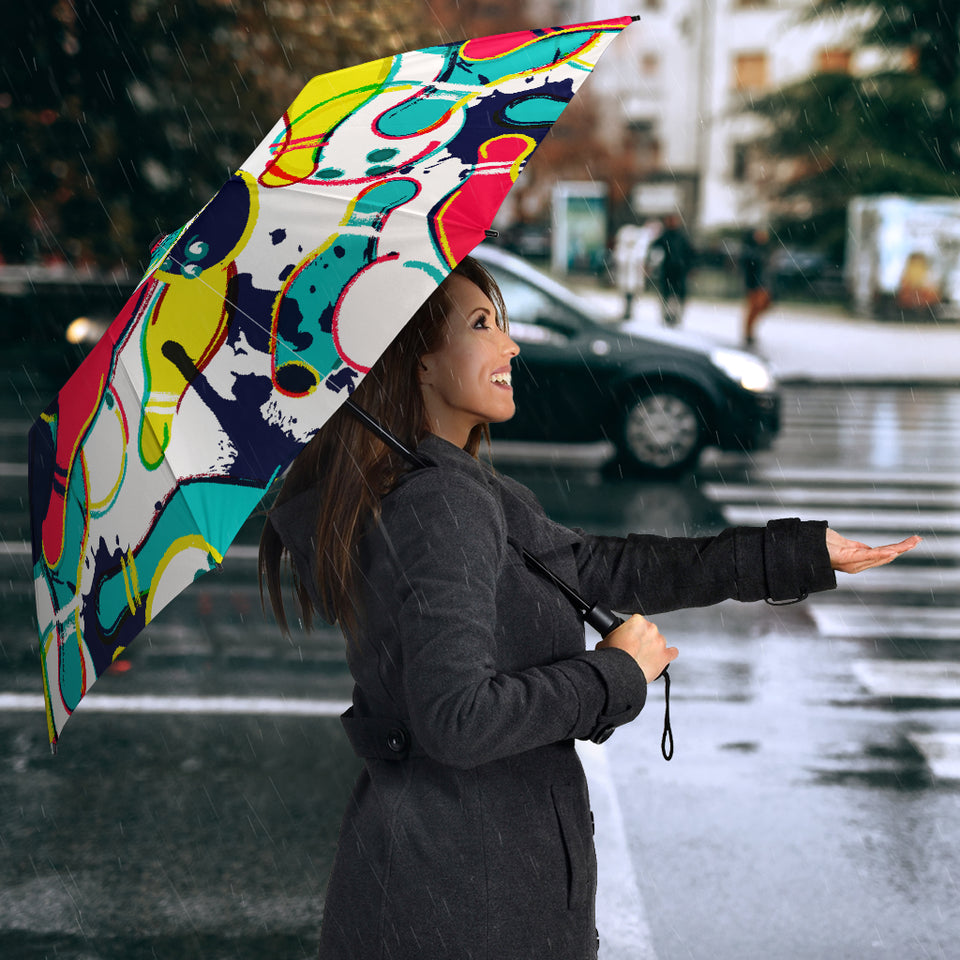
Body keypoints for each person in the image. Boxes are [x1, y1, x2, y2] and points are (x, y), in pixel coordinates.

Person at [259, 256, 919, 960]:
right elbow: (457, 720)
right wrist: (613, 673)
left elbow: (603, 567)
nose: (510, 345)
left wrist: (796, 554)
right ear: (417, 363)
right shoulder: (439, 504)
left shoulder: (451, 488)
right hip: (466, 902)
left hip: (452, 883)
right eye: (482, 325)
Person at [648, 213, 695, 327]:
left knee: (677, 295)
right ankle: (667, 315)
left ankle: (675, 316)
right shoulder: (665, 236)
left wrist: (690, 267)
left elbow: (690, 253)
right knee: (667, 294)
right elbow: (654, 249)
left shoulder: (681, 237)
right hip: (668, 270)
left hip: (679, 271)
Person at [741, 226, 773, 347]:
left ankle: (750, 331)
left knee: (762, 306)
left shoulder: (763, 249)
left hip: (763, 283)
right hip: (755, 284)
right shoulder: (751, 250)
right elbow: (750, 265)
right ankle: (748, 333)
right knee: (754, 308)